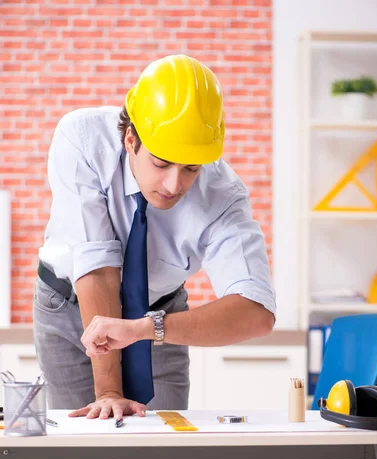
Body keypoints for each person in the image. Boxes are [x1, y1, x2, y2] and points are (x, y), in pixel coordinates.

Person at [33, 54, 276, 421]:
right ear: (131, 139)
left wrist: (148, 328)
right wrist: (109, 392)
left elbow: (256, 311)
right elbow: (97, 265)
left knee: (164, 446)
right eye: (161, 163)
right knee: (86, 444)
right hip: (68, 306)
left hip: (159, 314)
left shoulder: (223, 196)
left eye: (191, 168)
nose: (174, 185)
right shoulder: (82, 139)